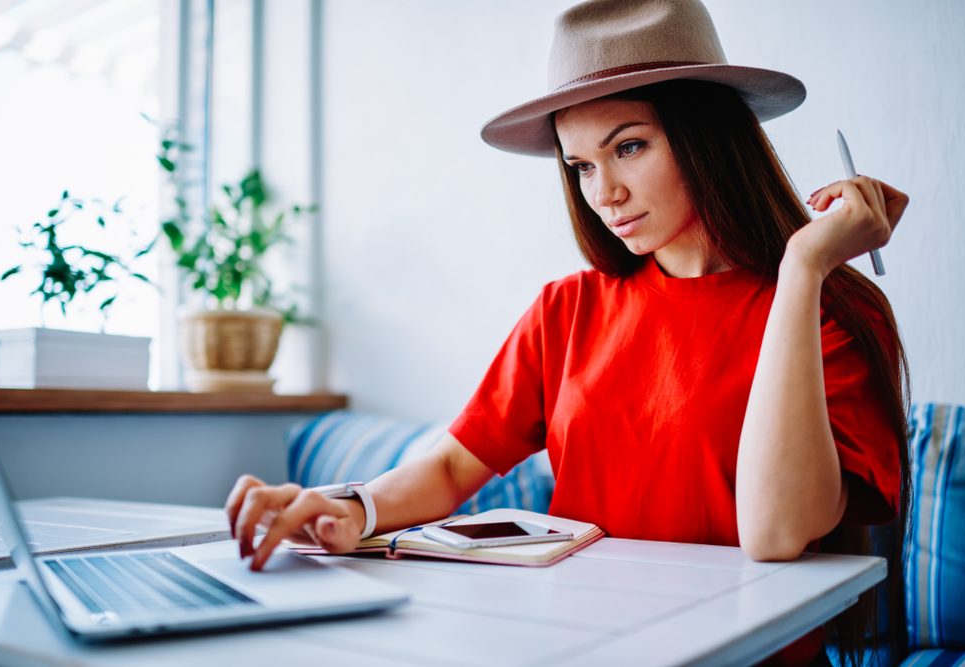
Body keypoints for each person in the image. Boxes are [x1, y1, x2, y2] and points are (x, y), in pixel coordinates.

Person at [226, 1, 910, 665]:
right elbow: (451, 465)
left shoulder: (827, 307)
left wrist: (802, 267)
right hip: (574, 644)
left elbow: (776, 532)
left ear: (706, 136)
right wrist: (355, 506)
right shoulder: (567, 309)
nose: (602, 190)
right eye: (580, 164)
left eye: (629, 147)